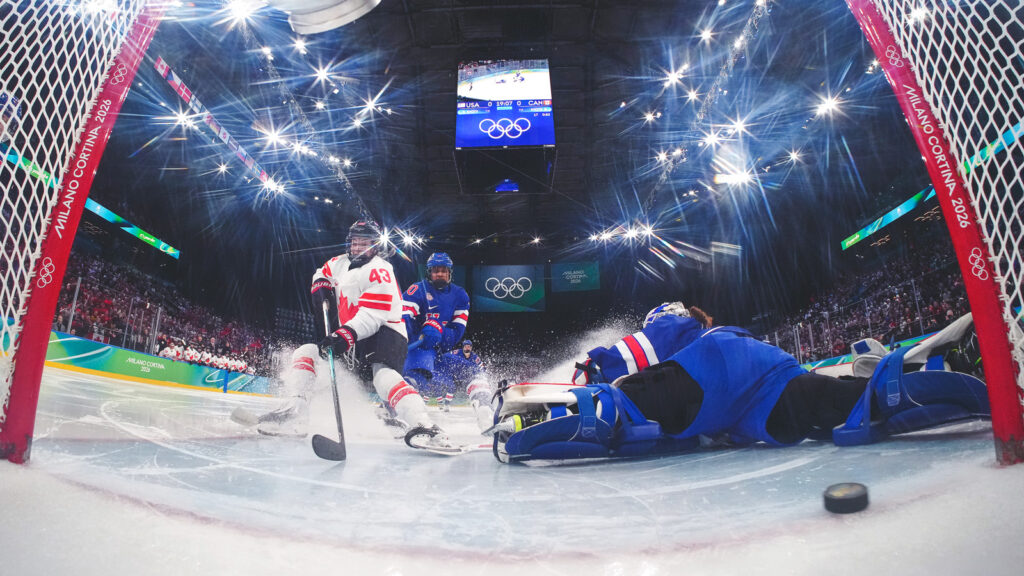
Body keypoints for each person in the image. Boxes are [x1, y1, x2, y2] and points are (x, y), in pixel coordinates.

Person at [490, 302, 990, 462]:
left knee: (618, 411)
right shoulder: (704, 337)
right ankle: (941, 371)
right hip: (760, 394)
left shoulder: (676, 321)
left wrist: (587, 372)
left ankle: (943, 363)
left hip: (726, 375)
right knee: (838, 406)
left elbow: (635, 351)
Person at [256, 220, 450, 448]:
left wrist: (344, 335)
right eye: (355, 242)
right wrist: (319, 284)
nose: (358, 248)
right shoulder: (337, 263)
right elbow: (322, 273)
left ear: (376, 246)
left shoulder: (380, 270)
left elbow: (373, 315)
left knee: (383, 376)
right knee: (306, 352)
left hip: (385, 333)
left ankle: (424, 424)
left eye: (364, 243)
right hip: (351, 337)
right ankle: (295, 410)